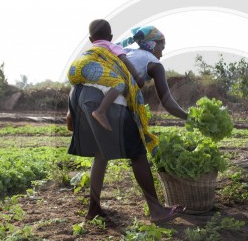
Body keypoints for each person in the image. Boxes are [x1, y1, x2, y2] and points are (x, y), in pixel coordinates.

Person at [67, 22, 188, 223]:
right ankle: (156, 211)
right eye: (161, 47)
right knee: (138, 154)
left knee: (101, 154)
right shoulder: (153, 63)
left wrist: (71, 112)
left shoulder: (122, 50)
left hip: (78, 96)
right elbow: (166, 101)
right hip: (107, 100)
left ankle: (94, 209)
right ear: (151, 45)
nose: (162, 53)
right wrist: (187, 116)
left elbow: (89, 72)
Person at [67, 19, 145, 131]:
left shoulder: (91, 49)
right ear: (110, 37)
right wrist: (137, 77)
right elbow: (125, 61)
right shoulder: (112, 46)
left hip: (74, 68)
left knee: (76, 89)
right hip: (89, 67)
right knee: (119, 83)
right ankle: (101, 111)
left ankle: (70, 115)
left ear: (90, 39)